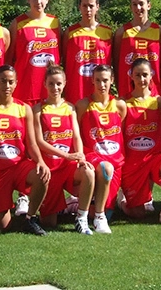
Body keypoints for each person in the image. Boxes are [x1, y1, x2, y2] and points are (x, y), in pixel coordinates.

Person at [0, 65, 52, 235]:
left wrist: (41, 162)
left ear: (16, 84)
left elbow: (32, 144)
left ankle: (30, 218)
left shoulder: (24, 109)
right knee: (0, 226)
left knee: (42, 175)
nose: (7, 86)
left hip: (19, 167)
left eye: (10, 82)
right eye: (3, 81)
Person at [118, 58, 161, 225]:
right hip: (132, 164)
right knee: (137, 214)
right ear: (130, 76)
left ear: (152, 75)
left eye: (145, 75)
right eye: (137, 75)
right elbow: (119, 136)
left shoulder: (159, 102)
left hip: (153, 159)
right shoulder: (123, 103)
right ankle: (122, 198)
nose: (141, 79)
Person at [32, 65, 96, 234]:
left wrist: (81, 157)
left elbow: (76, 137)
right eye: (51, 84)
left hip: (67, 167)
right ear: (45, 84)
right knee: (49, 222)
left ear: (65, 84)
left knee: (88, 171)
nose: (55, 88)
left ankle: (81, 219)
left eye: (59, 84)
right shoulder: (38, 109)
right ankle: (68, 204)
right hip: (50, 168)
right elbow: (39, 141)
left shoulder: (70, 108)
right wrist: (66, 155)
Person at [76, 65, 127, 234]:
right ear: (92, 80)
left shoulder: (119, 105)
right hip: (93, 156)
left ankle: (81, 205)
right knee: (106, 168)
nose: (101, 84)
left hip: (116, 162)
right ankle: (99, 217)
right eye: (97, 80)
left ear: (111, 81)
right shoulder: (83, 105)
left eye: (105, 80)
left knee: (110, 210)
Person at [9, 0, 60, 103]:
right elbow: (9, 58)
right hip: (25, 89)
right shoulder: (18, 23)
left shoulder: (55, 22)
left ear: (47, 0)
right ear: (28, 0)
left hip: (51, 90)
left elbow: (60, 55)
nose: (38, 2)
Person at [62, 0, 113, 105]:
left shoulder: (107, 32)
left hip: (100, 90)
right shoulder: (70, 33)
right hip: (76, 90)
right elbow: (65, 61)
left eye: (91, 6)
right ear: (79, 7)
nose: (88, 10)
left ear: (97, 7)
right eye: (84, 6)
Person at [113, 0, 161, 99]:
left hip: (153, 93)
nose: (138, 8)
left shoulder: (160, 32)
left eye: (141, 4)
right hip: (128, 92)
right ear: (130, 7)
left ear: (149, 5)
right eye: (134, 4)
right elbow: (116, 63)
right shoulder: (122, 32)